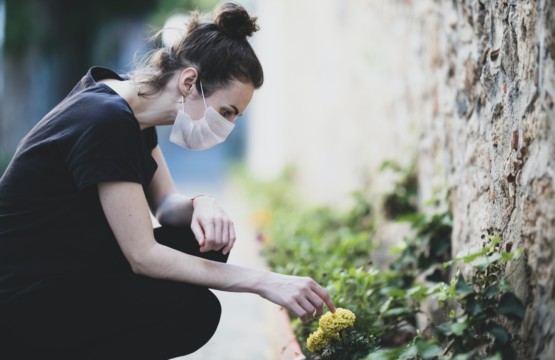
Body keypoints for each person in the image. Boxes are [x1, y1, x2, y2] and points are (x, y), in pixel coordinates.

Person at [0, 3, 335, 359]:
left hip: (65, 272)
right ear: (189, 82)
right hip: (21, 301)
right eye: (226, 112)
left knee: (202, 241)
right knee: (194, 313)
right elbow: (143, 256)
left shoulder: (129, 110)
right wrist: (265, 282)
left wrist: (201, 204)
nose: (227, 126)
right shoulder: (106, 122)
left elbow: (164, 204)